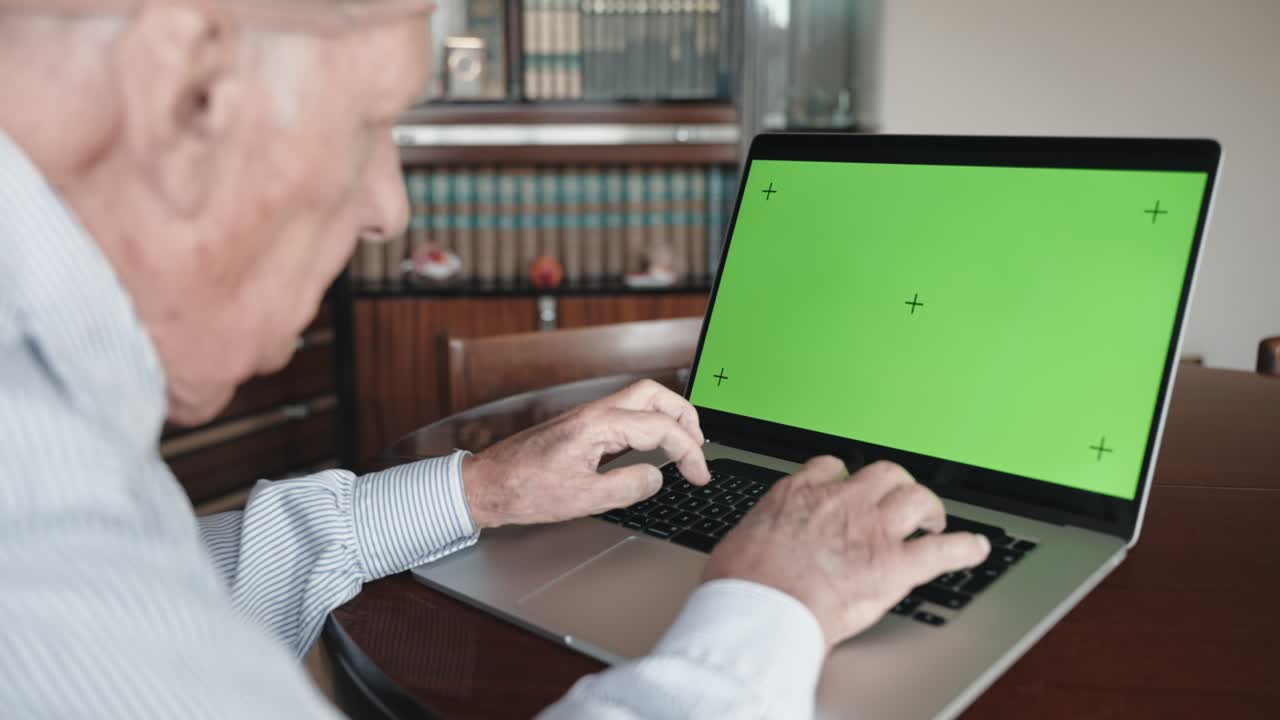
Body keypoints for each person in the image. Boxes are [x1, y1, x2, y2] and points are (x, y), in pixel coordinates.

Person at [0, 1, 990, 717]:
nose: (389, 209)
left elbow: (174, 582)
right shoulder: (40, 543)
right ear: (185, 88)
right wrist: (768, 611)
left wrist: (482, 489)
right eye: (371, 122)